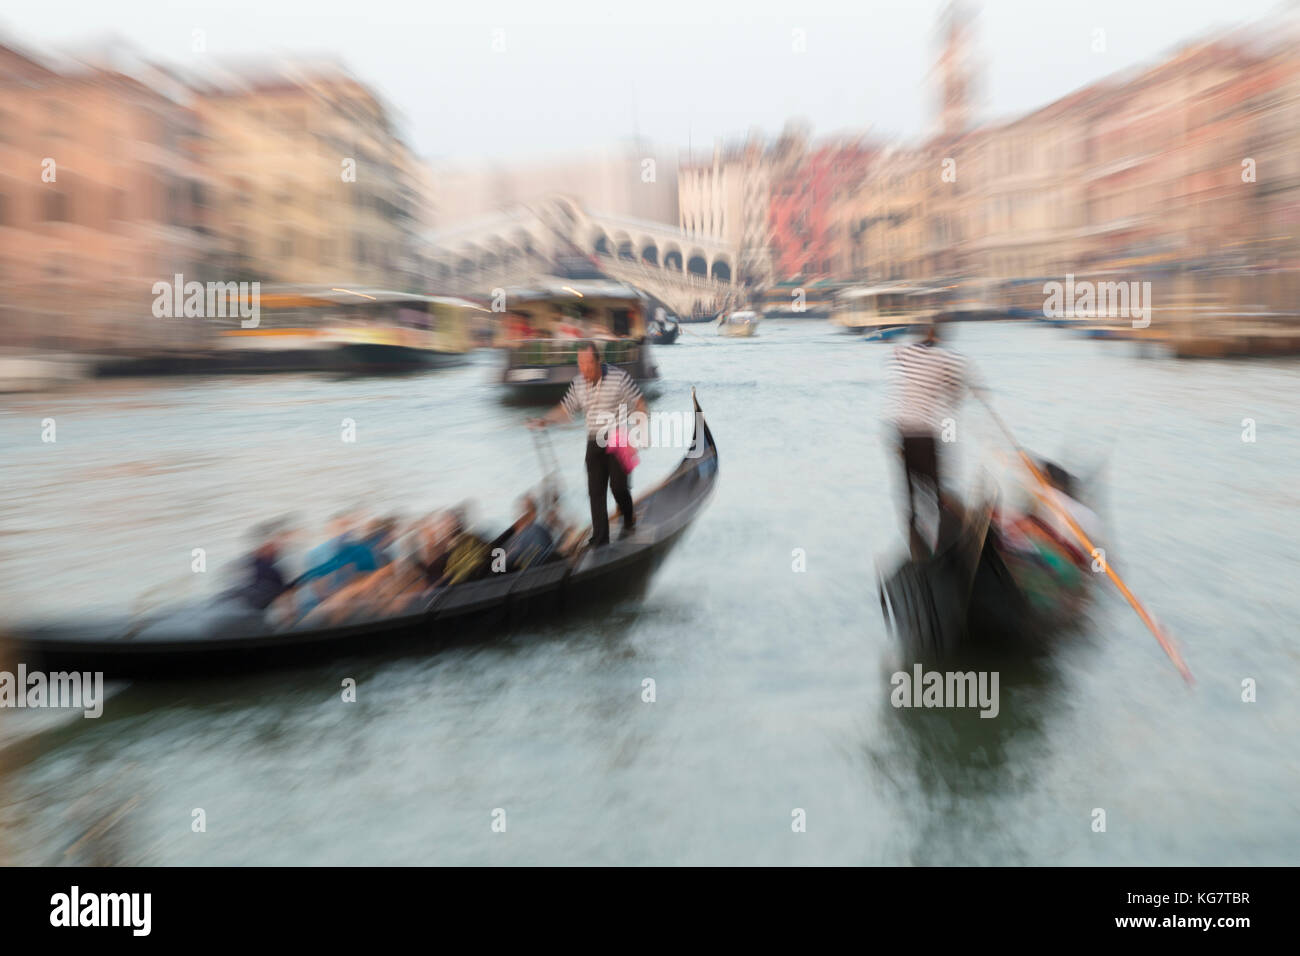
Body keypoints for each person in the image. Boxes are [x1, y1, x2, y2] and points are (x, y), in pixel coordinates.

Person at [528, 341, 647, 547]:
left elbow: (639, 403)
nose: (584, 369)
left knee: (618, 488)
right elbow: (566, 409)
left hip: (618, 438)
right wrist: (544, 420)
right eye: (580, 363)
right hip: (594, 441)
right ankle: (600, 540)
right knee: (596, 491)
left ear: (598, 361)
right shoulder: (578, 383)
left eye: (588, 363)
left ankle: (628, 518)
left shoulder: (619, 378)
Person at [884, 320, 980, 558]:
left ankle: (917, 544)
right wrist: (958, 392)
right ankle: (945, 545)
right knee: (936, 489)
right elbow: (960, 376)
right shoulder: (944, 359)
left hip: (901, 433)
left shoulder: (907, 353)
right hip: (925, 434)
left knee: (911, 490)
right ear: (940, 337)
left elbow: (897, 352)